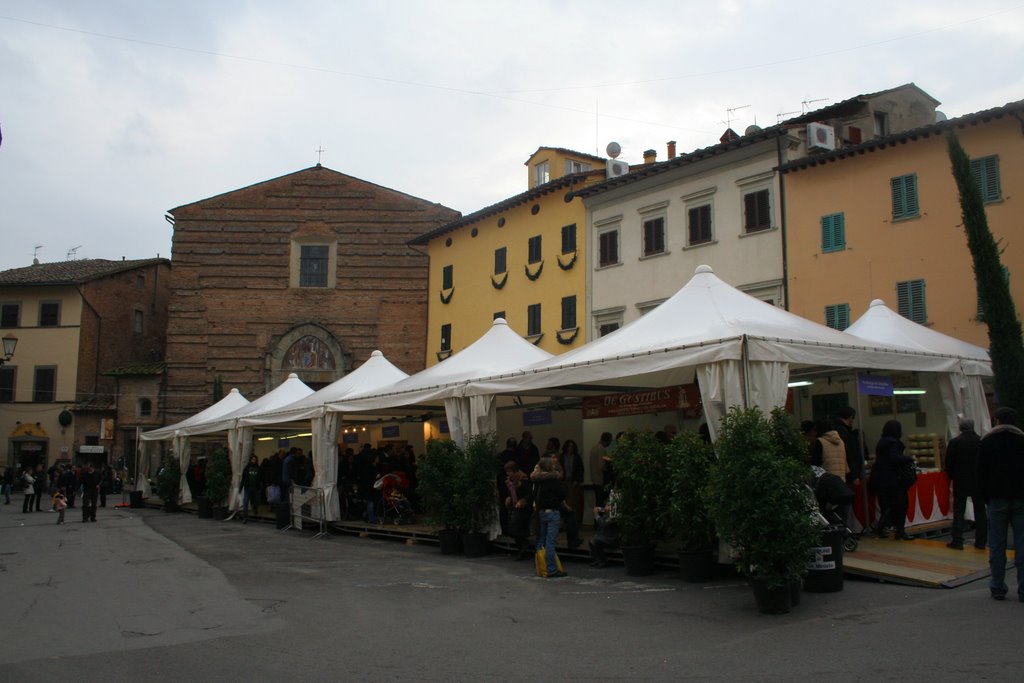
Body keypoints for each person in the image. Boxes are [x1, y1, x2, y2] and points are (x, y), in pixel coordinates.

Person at [977, 406, 1024, 602]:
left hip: (996, 498)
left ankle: (998, 586)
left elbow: (980, 473)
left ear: (996, 420)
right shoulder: (1022, 441)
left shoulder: (987, 443)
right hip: (1021, 498)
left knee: (997, 543)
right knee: (1022, 542)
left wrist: (985, 497)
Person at [945, 417, 985, 550]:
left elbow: (949, 464)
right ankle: (981, 541)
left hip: (960, 481)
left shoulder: (955, 442)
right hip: (978, 481)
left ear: (960, 428)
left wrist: (953, 476)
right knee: (980, 511)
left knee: (959, 511)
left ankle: (957, 540)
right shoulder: (981, 441)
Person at [872, 420, 915, 540]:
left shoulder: (882, 442)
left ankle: (883, 527)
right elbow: (894, 458)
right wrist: (908, 458)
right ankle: (899, 531)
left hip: (881, 479)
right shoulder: (893, 443)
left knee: (887, 506)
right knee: (901, 505)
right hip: (894, 480)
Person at [532, 456, 567, 578]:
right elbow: (562, 494)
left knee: (541, 539)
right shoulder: (554, 480)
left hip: (542, 511)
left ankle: (539, 565)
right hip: (553, 511)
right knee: (550, 541)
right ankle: (551, 569)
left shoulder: (537, 480)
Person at [503, 461, 533, 560]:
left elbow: (529, 494)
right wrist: (508, 497)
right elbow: (509, 492)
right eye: (507, 471)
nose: (508, 474)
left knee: (518, 529)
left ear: (515, 471)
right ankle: (522, 547)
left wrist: (523, 500)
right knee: (512, 528)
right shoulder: (509, 481)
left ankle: (522, 548)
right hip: (514, 506)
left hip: (523, 507)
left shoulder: (523, 479)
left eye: (510, 471)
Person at [834, 406, 865, 486]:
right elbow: (851, 455)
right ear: (850, 417)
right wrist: (855, 475)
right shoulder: (845, 432)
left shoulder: (836, 429)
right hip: (848, 473)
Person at [589, 491, 621, 568]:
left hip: (612, 538)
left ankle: (603, 561)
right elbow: (603, 511)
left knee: (597, 541)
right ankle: (597, 559)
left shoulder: (615, 514)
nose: (607, 505)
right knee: (592, 541)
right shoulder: (609, 511)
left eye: (609, 504)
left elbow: (604, 523)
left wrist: (597, 515)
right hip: (605, 536)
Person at [560, 439, 585, 526]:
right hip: (564, 480)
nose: (570, 448)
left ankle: (573, 522)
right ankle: (564, 522)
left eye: (572, 446)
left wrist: (577, 480)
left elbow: (580, 470)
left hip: (573, 480)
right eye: (569, 446)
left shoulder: (577, 457)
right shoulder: (562, 457)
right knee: (564, 501)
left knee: (573, 502)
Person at [589, 432, 613, 507]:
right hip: (600, 479)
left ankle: (597, 517)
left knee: (598, 500)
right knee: (601, 501)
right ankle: (600, 517)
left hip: (595, 478)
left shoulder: (594, 447)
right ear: (608, 440)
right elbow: (601, 466)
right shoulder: (601, 449)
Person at [239, 454, 262, 523]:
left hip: (256, 487)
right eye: (252, 459)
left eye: (255, 459)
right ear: (250, 460)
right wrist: (240, 488)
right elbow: (243, 479)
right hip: (248, 487)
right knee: (245, 502)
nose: (253, 461)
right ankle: (245, 517)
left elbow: (260, 478)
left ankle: (255, 509)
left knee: (256, 501)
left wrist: (260, 486)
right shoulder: (246, 468)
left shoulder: (258, 468)